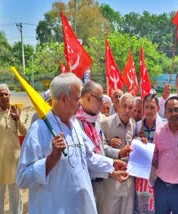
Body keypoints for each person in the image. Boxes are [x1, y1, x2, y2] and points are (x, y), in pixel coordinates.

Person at [16, 73, 127, 214]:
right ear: (63, 99)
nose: (80, 102)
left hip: (82, 207)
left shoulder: (75, 126)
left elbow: (87, 159)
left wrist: (111, 165)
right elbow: (22, 178)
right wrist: (51, 159)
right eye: (76, 98)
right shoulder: (39, 130)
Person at [75, 80, 131, 213]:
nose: (103, 103)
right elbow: (87, 159)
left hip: (102, 182)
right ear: (88, 97)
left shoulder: (95, 120)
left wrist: (119, 153)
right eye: (100, 99)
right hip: (87, 183)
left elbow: (102, 146)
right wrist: (110, 169)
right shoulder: (76, 123)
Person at [0, 83, 27, 214]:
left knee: (16, 192)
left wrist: (17, 118)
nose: (4, 97)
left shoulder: (16, 110)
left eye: (6, 94)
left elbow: (25, 132)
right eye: (1, 95)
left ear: (10, 95)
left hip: (15, 158)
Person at [100, 93, 136, 214]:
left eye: (130, 107)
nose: (127, 110)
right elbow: (99, 147)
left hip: (129, 180)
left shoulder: (133, 124)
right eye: (124, 106)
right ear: (118, 106)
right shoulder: (105, 123)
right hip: (112, 181)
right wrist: (117, 152)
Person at [134, 93, 165, 214]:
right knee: (142, 206)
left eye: (152, 107)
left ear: (158, 107)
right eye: (146, 107)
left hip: (159, 172)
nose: (149, 110)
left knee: (158, 205)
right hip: (142, 175)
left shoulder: (164, 125)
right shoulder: (137, 126)